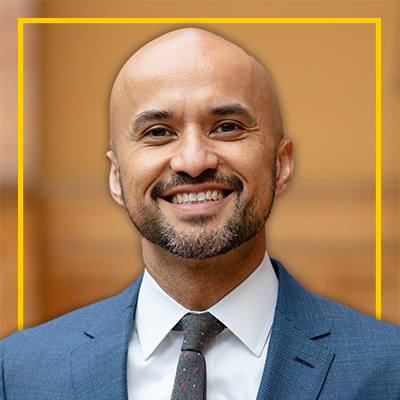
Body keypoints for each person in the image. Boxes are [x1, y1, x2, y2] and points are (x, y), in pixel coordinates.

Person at [1, 28, 399, 400]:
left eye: (227, 127)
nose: (193, 161)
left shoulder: (389, 370)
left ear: (282, 165)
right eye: (158, 131)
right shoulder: (19, 374)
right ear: (117, 176)